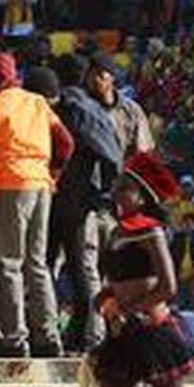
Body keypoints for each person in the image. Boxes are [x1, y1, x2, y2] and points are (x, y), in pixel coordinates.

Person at [0, 52, 64, 357]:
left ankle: (15, 338)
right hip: (42, 186)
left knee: (9, 263)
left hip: (10, 185)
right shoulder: (38, 101)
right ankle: (49, 336)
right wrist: (52, 172)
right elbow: (65, 142)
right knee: (37, 263)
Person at [90, 152, 194, 387]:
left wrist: (127, 309)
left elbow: (168, 287)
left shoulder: (151, 231)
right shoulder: (116, 232)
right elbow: (114, 283)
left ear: (143, 198)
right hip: (123, 331)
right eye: (117, 186)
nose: (117, 192)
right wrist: (104, 301)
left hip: (153, 329)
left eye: (126, 188)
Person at [54, 52, 124, 352]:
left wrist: (105, 192)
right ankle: (80, 333)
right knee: (76, 266)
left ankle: (84, 334)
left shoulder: (74, 106)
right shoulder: (89, 107)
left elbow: (111, 154)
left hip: (73, 197)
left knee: (76, 267)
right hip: (78, 197)